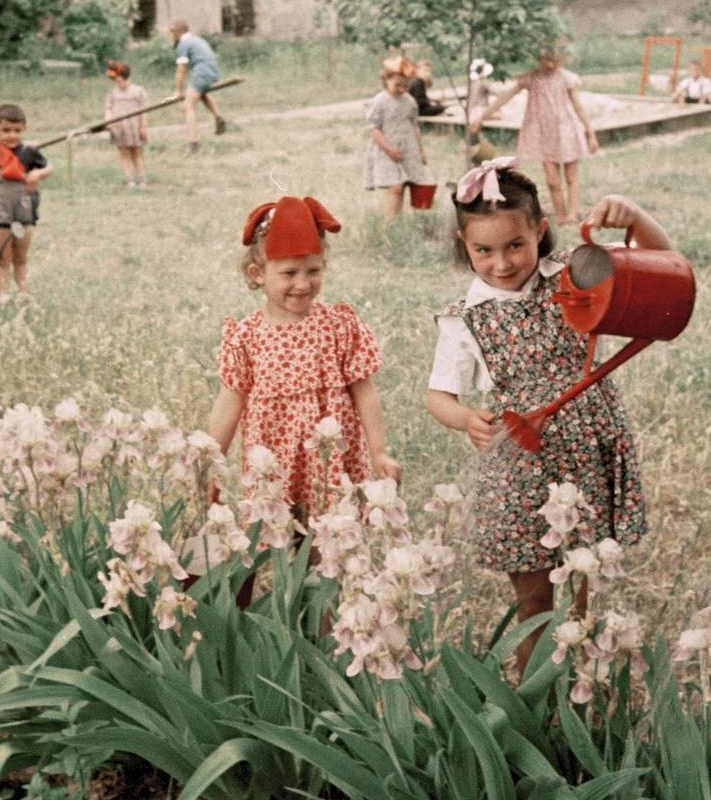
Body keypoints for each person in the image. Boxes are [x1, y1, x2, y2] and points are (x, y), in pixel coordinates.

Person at [424, 160, 668, 675]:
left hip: (584, 447)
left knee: (581, 584)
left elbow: (661, 261)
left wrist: (636, 217)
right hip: (520, 459)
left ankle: (579, 685)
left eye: (515, 244)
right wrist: (465, 418)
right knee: (533, 596)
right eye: (482, 251)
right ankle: (535, 693)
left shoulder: (573, 272)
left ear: (538, 230)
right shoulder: (464, 317)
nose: (502, 263)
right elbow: (438, 395)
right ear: (464, 247)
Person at [208, 196, 401, 520]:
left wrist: (378, 450)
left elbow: (365, 392)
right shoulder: (246, 336)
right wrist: (212, 462)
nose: (302, 283)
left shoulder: (340, 326)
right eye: (289, 273)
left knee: (329, 538)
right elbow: (229, 402)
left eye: (313, 270)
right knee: (273, 538)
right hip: (271, 459)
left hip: (330, 459)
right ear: (257, 273)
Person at [471, 44, 598, 224]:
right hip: (544, 134)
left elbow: (578, 106)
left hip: (566, 131)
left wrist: (590, 133)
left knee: (571, 177)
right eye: (546, 60)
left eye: (554, 61)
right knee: (552, 180)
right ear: (539, 59)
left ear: (561, 59)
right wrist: (482, 118)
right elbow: (506, 97)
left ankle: (572, 213)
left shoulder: (566, 78)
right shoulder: (533, 78)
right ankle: (561, 215)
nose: (550, 65)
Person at [0, 104, 52, 304]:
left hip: (23, 214)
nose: (11, 135)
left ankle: (23, 294)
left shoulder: (30, 153)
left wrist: (39, 173)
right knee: (2, 258)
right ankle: (1, 296)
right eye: (6, 130)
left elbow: (50, 167)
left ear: (24, 129)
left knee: (21, 257)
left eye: (17, 130)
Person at [363, 55, 431, 216]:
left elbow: (415, 126)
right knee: (395, 186)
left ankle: (398, 219)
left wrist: (421, 152)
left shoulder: (409, 101)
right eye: (397, 85)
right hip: (387, 148)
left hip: (408, 147)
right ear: (386, 80)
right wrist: (389, 149)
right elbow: (373, 128)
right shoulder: (379, 101)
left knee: (405, 184)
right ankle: (391, 222)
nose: (401, 89)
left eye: (405, 86)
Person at [170, 19, 226, 154]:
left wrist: (178, 91)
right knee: (202, 93)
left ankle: (193, 143)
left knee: (187, 105)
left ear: (177, 32)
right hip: (213, 70)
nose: (170, 36)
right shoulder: (196, 39)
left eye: (171, 33)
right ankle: (218, 117)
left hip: (202, 71)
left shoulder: (183, 43)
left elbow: (181, 69)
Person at [103, 60, 151, 187]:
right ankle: (129, 179)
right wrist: (108, 121)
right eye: (115, 81)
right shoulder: (112, 93)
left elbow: (144, 111)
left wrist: (143, 127)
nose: (117, 83)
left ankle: (141, 178)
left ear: (126, 78)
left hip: (134, 126)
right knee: (123, 152)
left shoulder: (138, 91)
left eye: (119, 80)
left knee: (136, 152)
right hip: (119, 127)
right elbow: (108, 108)